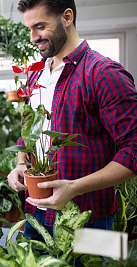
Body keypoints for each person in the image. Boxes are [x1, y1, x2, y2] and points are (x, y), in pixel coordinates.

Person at [7, 0, 137, 241]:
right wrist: (20, 163)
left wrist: (75, 187)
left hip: (89, 219)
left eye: (40, 26)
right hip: (35, 215)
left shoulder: (104, 74)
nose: (33, 37)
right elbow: (28, 131)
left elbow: (134, 150)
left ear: (67, 17)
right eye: (29, 29)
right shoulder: (35, 75)